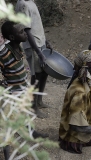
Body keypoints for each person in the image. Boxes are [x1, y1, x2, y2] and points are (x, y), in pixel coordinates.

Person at [1, 21, 48, 160]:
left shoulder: (18, 47)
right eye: (21, 32)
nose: (26, 33)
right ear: (12, 37)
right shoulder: (4, 53)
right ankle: (7, 155)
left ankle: (31, 133)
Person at [15, 0, 52, 118]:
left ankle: (39, 101)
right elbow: (26, 29)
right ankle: (33, 106)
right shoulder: (22, 4)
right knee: (36, 75)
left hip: (40, 42)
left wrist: (45, 41)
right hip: (33, 45)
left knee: (44, 72)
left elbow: (36, 24)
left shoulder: (31, 2)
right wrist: (38, 52)